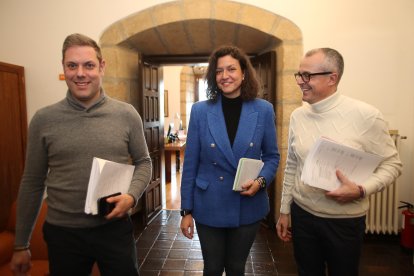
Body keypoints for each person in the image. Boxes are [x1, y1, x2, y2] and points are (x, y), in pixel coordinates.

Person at [10, 33, 152, 276]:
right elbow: (32, 181)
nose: (80, 73)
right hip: (63, 233)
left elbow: (143, 162)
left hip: (113, 230)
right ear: (64, 68)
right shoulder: (44, 120)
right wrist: (21, 244)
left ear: (101, 66)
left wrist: (131, 196)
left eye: (88, 65)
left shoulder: (126, 115)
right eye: (72, 65)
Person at [276, 48, 402, 276]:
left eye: (307, 76)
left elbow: (392, 165)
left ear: (332, 78)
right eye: (299, 74)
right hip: (303, 215)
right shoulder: (298, 116)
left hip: (344, 222)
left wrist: (362, 190)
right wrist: (285, 211)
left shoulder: (366, 115)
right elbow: (292, 165)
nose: (300, 82)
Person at [180, 45, 280, 275]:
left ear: (244, 73)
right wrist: (186, 211)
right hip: (208, 203)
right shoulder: (200, 111)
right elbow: (191, 163)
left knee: (236, 267)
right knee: (213, 268)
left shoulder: (263, 110)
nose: (225, 76)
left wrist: (261, 181)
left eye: (231, 69)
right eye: (219, 71)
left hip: (247, 204)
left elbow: (272, 156)